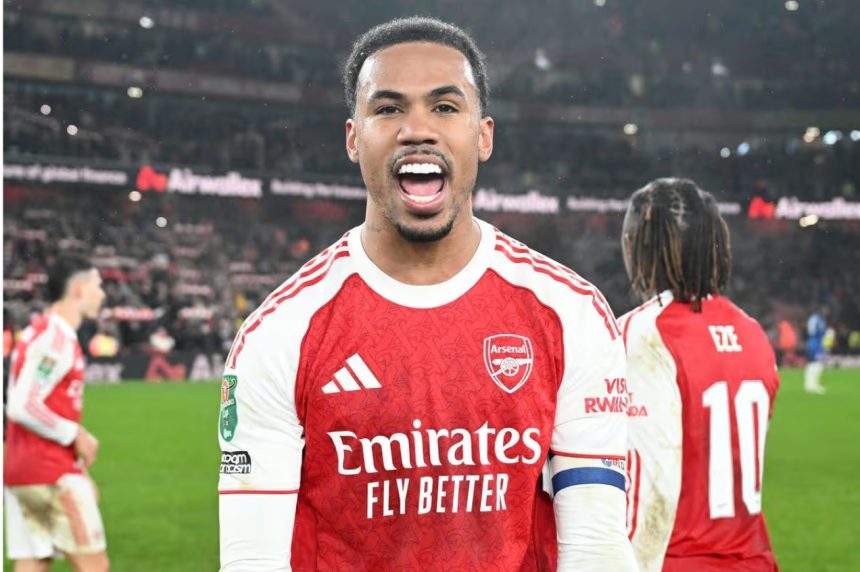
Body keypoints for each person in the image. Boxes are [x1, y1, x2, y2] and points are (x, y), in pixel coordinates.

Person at [219, 16, 636, 571]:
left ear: (483, 135)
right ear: (353, 138)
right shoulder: (280, 334)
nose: (417, 129)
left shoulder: (570, 314)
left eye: (444, 106)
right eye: (389, 109)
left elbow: (597, 551)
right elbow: (253, 561)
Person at [619, 178, 779, 571]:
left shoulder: (643, 333)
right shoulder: (753, 333)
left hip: (678, 561)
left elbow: (650, 490)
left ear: (636, 245)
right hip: (754, 561)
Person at [4, 256, 109, 572]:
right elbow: (22, 404)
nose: (102, 294)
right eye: (97, 286)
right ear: (78, 289)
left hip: (22, 471)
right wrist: (75, 434)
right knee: (95, 567)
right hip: (50, 472)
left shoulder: (39, 331)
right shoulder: (56, 336)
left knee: (33, 562)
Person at [804, 308, 828, 394]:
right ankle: (813, 385)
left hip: (813, 343)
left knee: (813, 363)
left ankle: (810, 385)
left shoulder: (813, 318)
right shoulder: (817, 319)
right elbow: (818, 332)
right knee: (817, 363)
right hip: (816, 344)